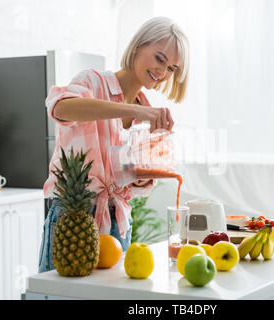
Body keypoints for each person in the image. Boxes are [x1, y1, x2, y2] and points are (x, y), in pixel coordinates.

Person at [38, 16, 189, 272]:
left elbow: (133, 179)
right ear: (139, 45)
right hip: (74, 216)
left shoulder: (146, 109)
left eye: (172, 68)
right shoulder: (93, 81)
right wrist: (133, 111)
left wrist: (144, 172)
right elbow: (61, 108)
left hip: (119, 220)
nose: (163, 73)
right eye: (160, 59)